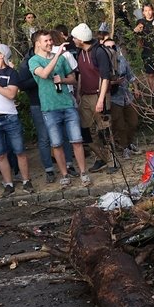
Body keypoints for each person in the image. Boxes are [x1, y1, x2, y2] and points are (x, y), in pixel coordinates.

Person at [28, 31, 90, 187]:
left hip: (67, 105)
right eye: (46, 41)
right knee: (56, 144)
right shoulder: (34, 60)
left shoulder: (62, 59)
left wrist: (62, 80)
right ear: (38, 44)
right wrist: (56, 55)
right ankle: (64, 175)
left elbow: (73, 80)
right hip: (49, 108)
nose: (50, 43)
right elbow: (43, 74)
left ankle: (83, 173)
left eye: (50, 40)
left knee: (76, 141)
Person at [68, 24, 114, 173]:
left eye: (75, 38)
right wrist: (79, 94)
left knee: (104, 129)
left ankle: (112, 161)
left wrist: (101, 100)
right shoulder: (80, 52)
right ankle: (100, 158)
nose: (73, 40)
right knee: (87, 130)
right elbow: (81, 74)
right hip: (86, 96)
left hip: (98, 94)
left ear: (81, 39)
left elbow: (105, 77)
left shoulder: (99, 52)